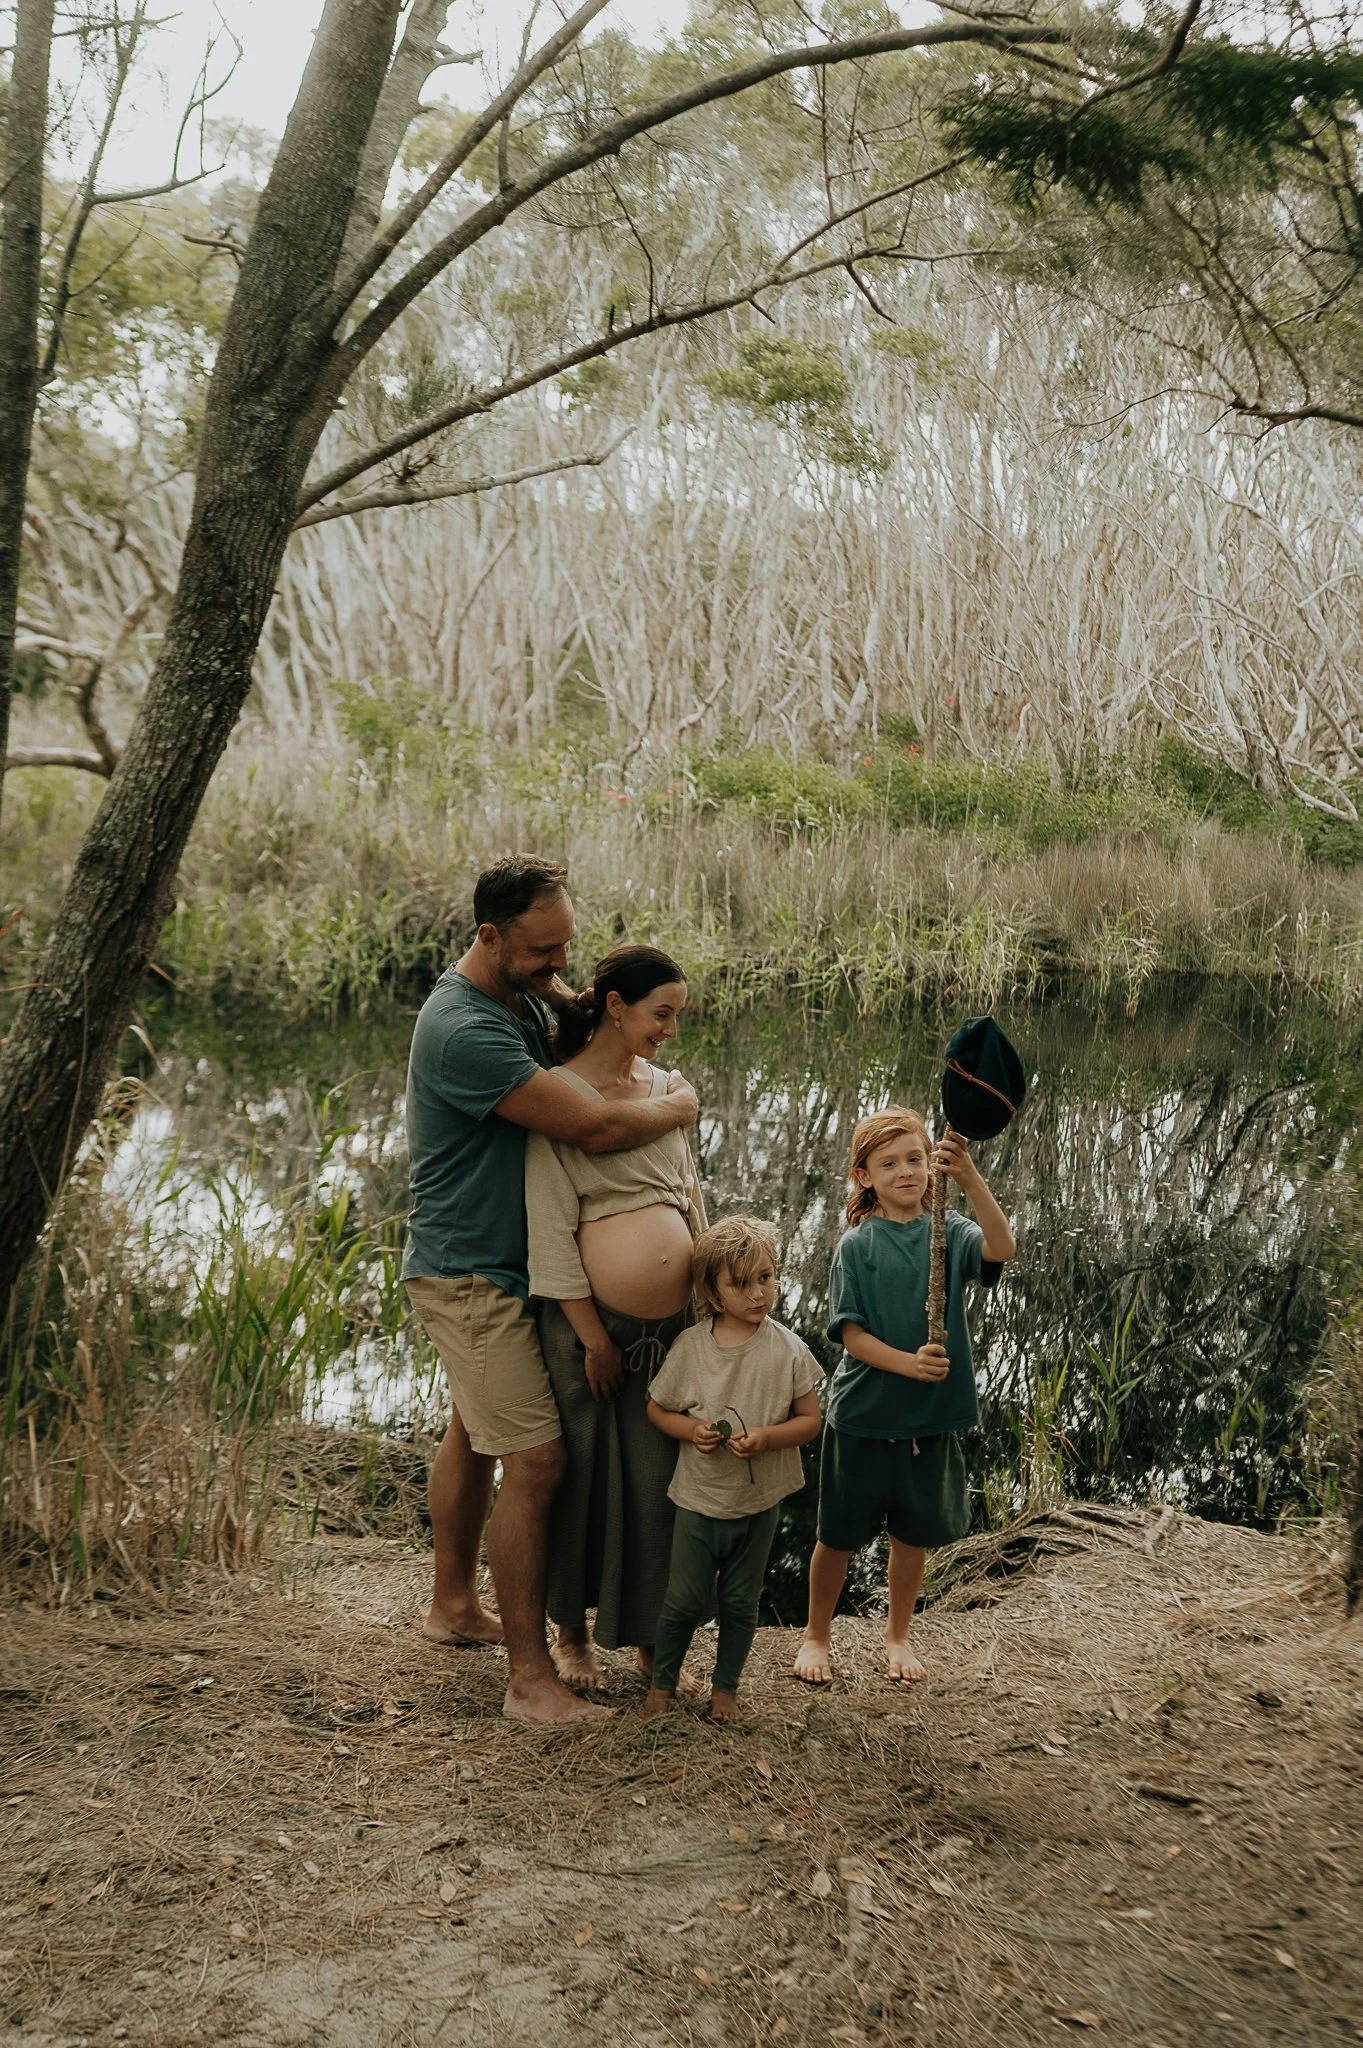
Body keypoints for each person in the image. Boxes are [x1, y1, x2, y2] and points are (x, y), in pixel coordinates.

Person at [403, 854, 699, 1726]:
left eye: (566, 947)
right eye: (541, 950)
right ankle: (532, 1684)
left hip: (508, 1265)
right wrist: (679, 1107)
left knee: (475, 1429)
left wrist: (625, 1010)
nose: (557, 967)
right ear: (488, 936)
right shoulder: (464, 1027)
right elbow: (593, 1123)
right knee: (536, 1459)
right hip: (471, 1269)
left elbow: (601, 1017)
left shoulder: (522, 992)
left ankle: (452, 1607)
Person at [526, 946, 706, 1688]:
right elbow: (550, 1228)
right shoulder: (560, 1097)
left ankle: (648, 1643)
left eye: (676, 1016)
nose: (669, 1030)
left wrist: (708, 1304)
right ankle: (569, 1635)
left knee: (661, 1482)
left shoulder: (666, 1089)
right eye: (660, 1014)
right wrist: (594, 1338)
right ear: (613, 1005)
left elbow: (689, 1194)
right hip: (590, 1331)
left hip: (673, 1334)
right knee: (585, 1481)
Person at [792, 1106, 1015, 1688]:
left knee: (911, 1535)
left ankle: (898, 1634)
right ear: (864, 1176)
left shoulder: (951, 1230)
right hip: (864, 1416)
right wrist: (909, 1365)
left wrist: (968, 1177)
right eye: (889, 1163)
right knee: (837, 1536)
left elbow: (1003, 1247)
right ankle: (818, 1633)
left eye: (915, 1159)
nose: (906, 1171)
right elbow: (851, 1336)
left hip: (928, 1421)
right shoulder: (857, 1247)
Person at [644, 1216, 823, 1722]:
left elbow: (810, 1421)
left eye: (765, 1277)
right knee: (682, 1601)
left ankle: (725, 1691)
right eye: (741, 1284)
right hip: (699, 1501)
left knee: (742, 1603)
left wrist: (768, 1437)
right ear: (713, 1293)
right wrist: (690, 1431)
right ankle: (661, 1687)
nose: (757, 1293)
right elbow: (657, 1410)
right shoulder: (691, 1349)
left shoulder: (788, 1350)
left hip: (758, 1504)